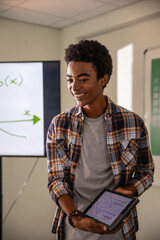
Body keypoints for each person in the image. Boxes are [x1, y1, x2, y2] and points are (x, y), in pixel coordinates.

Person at [46, 40, 154, 240]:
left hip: (119, 230)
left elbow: (146, 172)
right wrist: (77, 217)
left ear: (103, 79)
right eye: (70, 79)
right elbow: (56, 181)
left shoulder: (132, 122)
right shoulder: (59, 125)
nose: (74, 87)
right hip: (74, 230)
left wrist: (128, 190)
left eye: (83, 79)